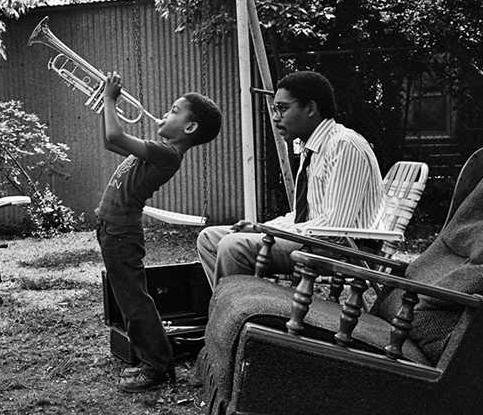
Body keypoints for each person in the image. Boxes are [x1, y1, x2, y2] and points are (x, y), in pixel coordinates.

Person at [197, 70, 383, 289]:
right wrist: (261, 227)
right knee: (209, 238)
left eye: (282, 109)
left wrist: (264, 232)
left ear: (310, 108)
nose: (276, 117)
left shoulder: (344, 146)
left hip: (346, 249)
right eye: (275, 109)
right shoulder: (312, 148)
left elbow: (334, 227)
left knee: (232, 246)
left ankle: (242, 315)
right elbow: (301, 217)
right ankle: (237, 309)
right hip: (317, 241)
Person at [95, 72, 222, 393]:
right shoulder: (157, 150)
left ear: (190, 127)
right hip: (112, 228)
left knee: (134, 300)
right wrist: (105, 102)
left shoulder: (166, 153)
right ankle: (148, 359)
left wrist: (109, 98)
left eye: (173, 111)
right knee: (128, 299)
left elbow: (116, 134)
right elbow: (110, 140)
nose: (165, 114)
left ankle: (158, 367)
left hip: (121, 232)